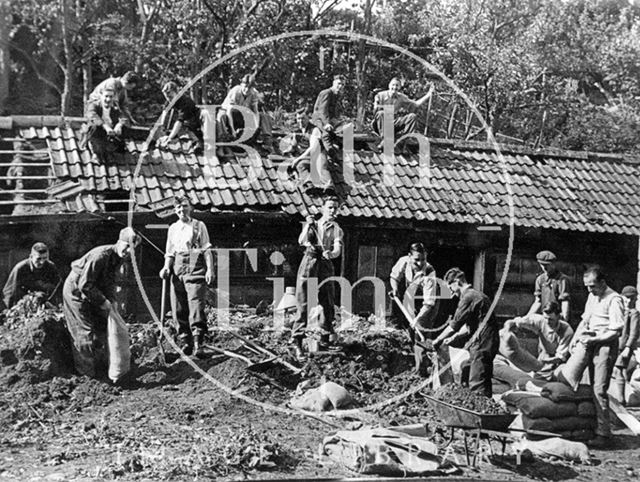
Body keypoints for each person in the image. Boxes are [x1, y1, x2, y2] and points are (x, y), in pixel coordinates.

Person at [63, 227, 141, 378]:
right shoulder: (100, 255)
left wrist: (112, 300)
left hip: (93, 290)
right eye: (126, 247)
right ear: (119, 243)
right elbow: (84, 285)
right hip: (76, 291)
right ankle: (87, 375)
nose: (129, 252)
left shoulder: (118, 258)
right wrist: (103, 301)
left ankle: (103, 368)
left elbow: (109, 281)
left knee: (103, 326)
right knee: (84, 331)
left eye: (133, 249)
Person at [571, 265, 625, 446]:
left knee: (599, 389)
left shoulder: (614, 299)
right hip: (590, 343)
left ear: (602, 282)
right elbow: (585, 320)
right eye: (587, 286)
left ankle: (604, 433)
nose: (589, 290)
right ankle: (590, 427)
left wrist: (596, 340)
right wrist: (575, 338)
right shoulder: (592, 297)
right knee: (586, 385)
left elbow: (615, 331)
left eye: (592, 286)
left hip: (605, 346)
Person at [159, 196, 213, 358]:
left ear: (190, 207)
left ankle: (198, 343)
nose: (181, 210)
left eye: (184, 206)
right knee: (178, 305)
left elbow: (207, 250)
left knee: (196, 303)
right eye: (178, 208)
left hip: (195, 266)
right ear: (175, 210)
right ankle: (185, 341)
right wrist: (166, 267)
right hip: (177, 268)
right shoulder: (173, 228)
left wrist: (210, 270)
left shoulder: (199, 225)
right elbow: (170, 253)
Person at [291, 195, 343, 359]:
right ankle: (297, 341)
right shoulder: (313, 225)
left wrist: (331, 253)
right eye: (330, 207)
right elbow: (302, 241)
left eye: (335, 207)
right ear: (323, 209)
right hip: (310, 261)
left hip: (325, 263)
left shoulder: (337, 229)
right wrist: (308, 225)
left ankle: (324, 338)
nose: (333, 211)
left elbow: (337, 248)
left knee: (327, 301)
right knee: (304, 302)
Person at [433, 267, 498, 397]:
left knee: (478, 382)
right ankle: (469, 401)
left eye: (450, 287)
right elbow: (468, 325)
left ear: (457, 281)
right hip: (485, 341)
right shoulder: (477, 295)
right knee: (466, 368)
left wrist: (437, 339)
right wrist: (454, 337)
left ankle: (481, 409)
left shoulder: (468, 297)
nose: (451, 292)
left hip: (482, 344)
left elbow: (454, 325)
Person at [389, 243, 441, 375]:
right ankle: (412, 364)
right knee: (409, 330)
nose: (420, 263)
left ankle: (421, 371)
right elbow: (394, 277)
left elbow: (429, 303)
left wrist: (417, 319)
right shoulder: (403, 261)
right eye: (417, 259)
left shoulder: (430, 273)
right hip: (411, 297)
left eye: (423, 259)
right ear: (409, 256)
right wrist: (395, 288)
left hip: (428, 304)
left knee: (421, 333)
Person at [499, 301, 573, 379]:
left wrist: (543, 362)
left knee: (556, 379)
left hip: (558, 363)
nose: (547, 322)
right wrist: (506, 329)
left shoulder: (567, 331)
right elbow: (514, 322)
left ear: (559, 316)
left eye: (551, 319)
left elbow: (560, 357)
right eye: (546, 318)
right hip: (543, 356)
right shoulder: (540, 320)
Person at [217, 74, 272, 147]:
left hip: (241, 115)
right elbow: (229, 111)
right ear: (241, 85)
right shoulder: (236, 91)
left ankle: (267, 141)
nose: (246, 90)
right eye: (245, 87)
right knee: (221, 116)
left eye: (249, 88)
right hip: (229, 114)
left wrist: (256, 126)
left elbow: (255, 111)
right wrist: (232, 129)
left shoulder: (254, 93)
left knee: (264, 116)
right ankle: (223, 140)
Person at [373, 77, 433, 142]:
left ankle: (404, 141)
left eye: (397, 85)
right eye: (393, 85)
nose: (394, 87)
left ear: (399, 87)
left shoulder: (401, 97)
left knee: (412, 116)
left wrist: (428, 94)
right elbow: (375, 110)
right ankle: (385, 140)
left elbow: (416, 104)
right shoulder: (380, 95)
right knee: (381, 113)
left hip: (392, 124)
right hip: (380, 124)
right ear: (389, 85)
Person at [3, 242, 61, 308]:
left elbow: (57, 289)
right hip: (23, 304)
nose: (42, 262)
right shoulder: (20, 268)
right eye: (38, 259)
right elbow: (10, 293)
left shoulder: (51, 267)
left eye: (45, 258)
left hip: (44, 304)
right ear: (31, 257)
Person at [158, 81, 204, 154]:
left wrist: (169, 138)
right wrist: (162, 126)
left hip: (196, 121)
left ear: (176, 92)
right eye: (166, 97)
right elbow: (165, 112)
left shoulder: (185, 102)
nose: (169, 99)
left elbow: (179, 121)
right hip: (186, 121)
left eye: (170, 97)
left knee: (184, 129)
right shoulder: (170, 100)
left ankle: (197, 142)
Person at [82, 87, 128, 160]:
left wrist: (119, 125)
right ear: (101, 96)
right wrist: (105, 126)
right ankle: (95, 152)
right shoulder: (94, 105)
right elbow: (93, 116)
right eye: (106, 96)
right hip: (97, 133)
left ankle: (111, 150)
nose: (108, 99)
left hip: (110, 135)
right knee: (94, 127)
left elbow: (123, 117)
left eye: (111, 97)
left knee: (124, 129)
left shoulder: (115, 107)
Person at [612, 286, 639, 405]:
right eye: (626, 298)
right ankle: (621, 397)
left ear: (635, 299)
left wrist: (628, 347)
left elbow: (633, 333)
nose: (628, 301)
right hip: (618, 345)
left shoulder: (634, 314)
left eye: (631, 298)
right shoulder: (622, 312)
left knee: (619, 370)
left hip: (625, 347)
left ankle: (621, 399)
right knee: (619, 371)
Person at [527, 250, 571, 322]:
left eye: (547, 265)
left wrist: (564, 319)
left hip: (558, 318)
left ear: (553, 264)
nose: (544, 268)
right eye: (542, 265)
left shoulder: (562, 280)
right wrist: (527, 317)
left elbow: (565, 301)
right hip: (546, 317)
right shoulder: (540, 279)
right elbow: (538, 301)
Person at [310, 74, 346, 159]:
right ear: (334, 83)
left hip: (328, 118)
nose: (340, 86)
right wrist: (326, 123)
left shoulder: (336, 95)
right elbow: (322, 110)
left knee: (343, 129)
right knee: (326, 132)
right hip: (319, 118)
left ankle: (337, 147)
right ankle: (330, 151)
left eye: (342, 85)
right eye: (339, 83)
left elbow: (333, 112)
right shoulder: (327, 92)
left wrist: (338, 121)